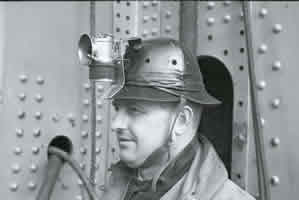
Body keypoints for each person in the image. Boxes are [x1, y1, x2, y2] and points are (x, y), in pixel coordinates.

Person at [102, 38, 255, 200]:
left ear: (181, 120)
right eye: (118, 108)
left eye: (134, 110)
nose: (115, 123)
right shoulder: (119, 187)